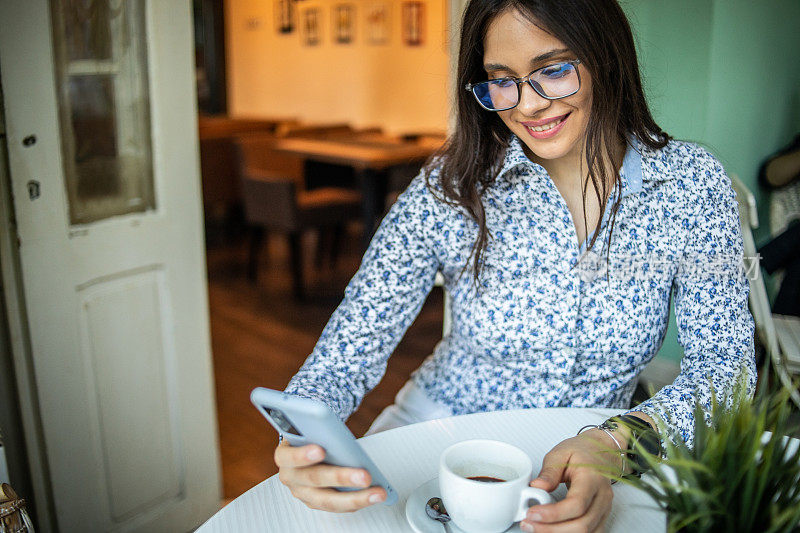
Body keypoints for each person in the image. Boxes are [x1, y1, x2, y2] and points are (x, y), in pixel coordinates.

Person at [274, 0, 756, 531]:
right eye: (502, 80)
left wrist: (617, 443)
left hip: (592, 455)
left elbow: (725, 371)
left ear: (607, 59)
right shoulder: (453, 183)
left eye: (553, 70)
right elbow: (355, 336)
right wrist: (303, 434)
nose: (527, 105)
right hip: (436, 439)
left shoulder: (691, 186)